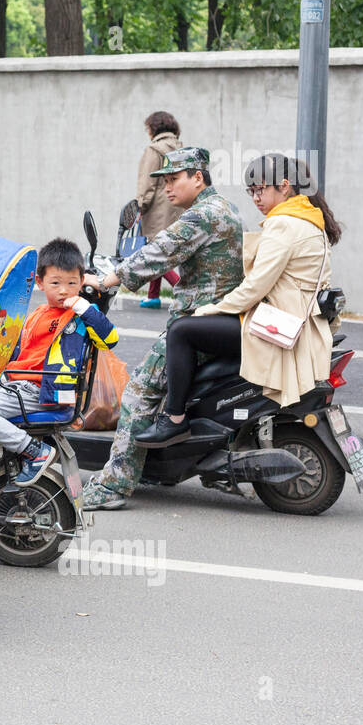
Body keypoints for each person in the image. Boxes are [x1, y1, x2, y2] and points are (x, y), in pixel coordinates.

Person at [136, 154, 343, 447]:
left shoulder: (284, 223)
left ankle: (174, 419)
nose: (256, 197)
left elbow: (255, 287)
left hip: (279, 328)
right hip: (300, 323)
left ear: (284, 186)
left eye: (261, 189)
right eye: (251, 191)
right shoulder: (309, 218)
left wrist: (209, 309)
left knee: (181, 331)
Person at [80, 147, 244, 510]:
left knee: (137, 393)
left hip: (197, 323)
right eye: (164, 181)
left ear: (197, 178)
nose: (167, 188)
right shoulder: (226, 208)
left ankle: (114, 485)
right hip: (218, 319)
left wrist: (107, 279)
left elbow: (160, 252)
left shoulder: (201, 216)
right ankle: (152, 464)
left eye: (173, 179)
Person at [0, 238, 119, 483]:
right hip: (17, 385)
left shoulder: (78, 317)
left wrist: (85, 307)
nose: (64, 290)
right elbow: (17, 351)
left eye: (72, 283)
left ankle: (34, 451)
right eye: (55, 283)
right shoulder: (38, 314)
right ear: (40, 282)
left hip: (41, 391)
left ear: (81, 282)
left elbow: (109, 339)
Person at [136, 111, 183, 308]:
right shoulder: (181, 149)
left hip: (158, 208)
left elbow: (147, 183)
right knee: (161, 248)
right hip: (178, 206)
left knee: (157, 253)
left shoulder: (154, 149)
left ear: (153, 128)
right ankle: (153, 296)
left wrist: (140, 206)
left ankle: (183, 290)